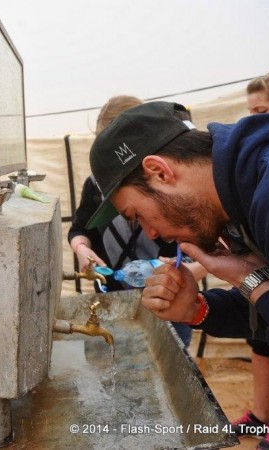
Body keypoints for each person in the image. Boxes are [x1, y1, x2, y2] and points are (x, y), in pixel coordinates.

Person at [85, 100, 269, 449]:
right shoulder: (242, 193)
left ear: (160, 172)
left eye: (136, 214)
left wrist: (252, 280)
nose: (150, 234)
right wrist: (196, 310)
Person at [69, 95, 203, 347]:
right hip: (113, 301)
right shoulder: (95, 184)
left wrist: (178, 276)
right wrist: (83, 249)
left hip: (169, 304)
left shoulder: (173, 186)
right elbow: (79, 228)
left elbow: (208, 252)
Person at [229, 69, 269, 448]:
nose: (253, 119)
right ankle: (260, 415)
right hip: (261, 267)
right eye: (250, 111)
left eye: (262, 109)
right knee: (262, 342)